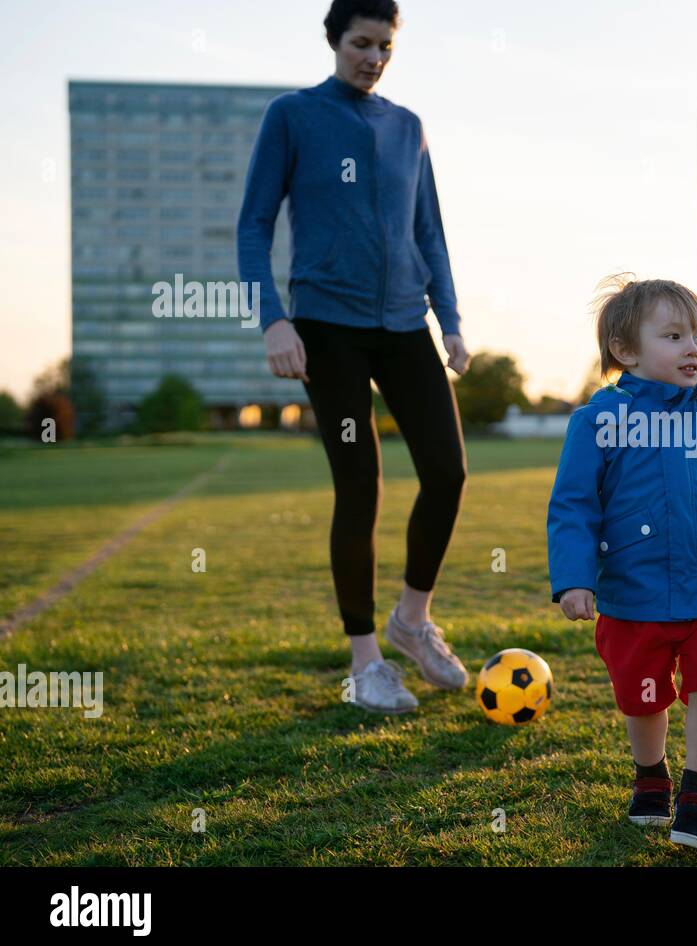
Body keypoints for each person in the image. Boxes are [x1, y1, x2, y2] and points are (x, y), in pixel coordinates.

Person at [237, 0, 470, 714]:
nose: (373, 57)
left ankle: (412, 619)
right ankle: (366, 660)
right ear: (335, 42)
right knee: (360, 483)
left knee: (447, 470)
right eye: (362, 44)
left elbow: (429, 231)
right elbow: (253, 224)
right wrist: (273, 321)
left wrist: (451, 321)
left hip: (404, 324)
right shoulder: (293, 115)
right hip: (326, 326)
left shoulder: (407, 128)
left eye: (385, 48)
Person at [547, 274, 697, 851]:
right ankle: (651, 774)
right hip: (633, 591)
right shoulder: (598, 421)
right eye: (674, 336)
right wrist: (573, 580)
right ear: (625, 352)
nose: (693, 349)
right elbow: (575, 506)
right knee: (643, 694)